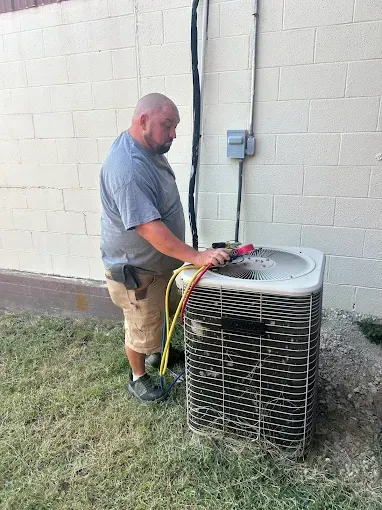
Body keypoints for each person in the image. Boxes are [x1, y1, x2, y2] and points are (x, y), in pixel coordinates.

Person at [100, 93, 230, 403]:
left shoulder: (148, 146)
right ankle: (138, 377)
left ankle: (162, 355)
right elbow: (149, 228)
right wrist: (196, 256)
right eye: (168, 125)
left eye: (175, 126)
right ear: (143, 121)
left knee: (164, 313)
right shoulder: (127, 168)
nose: (173, 134)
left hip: (160, 263)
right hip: (137, 270)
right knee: (140, 325)